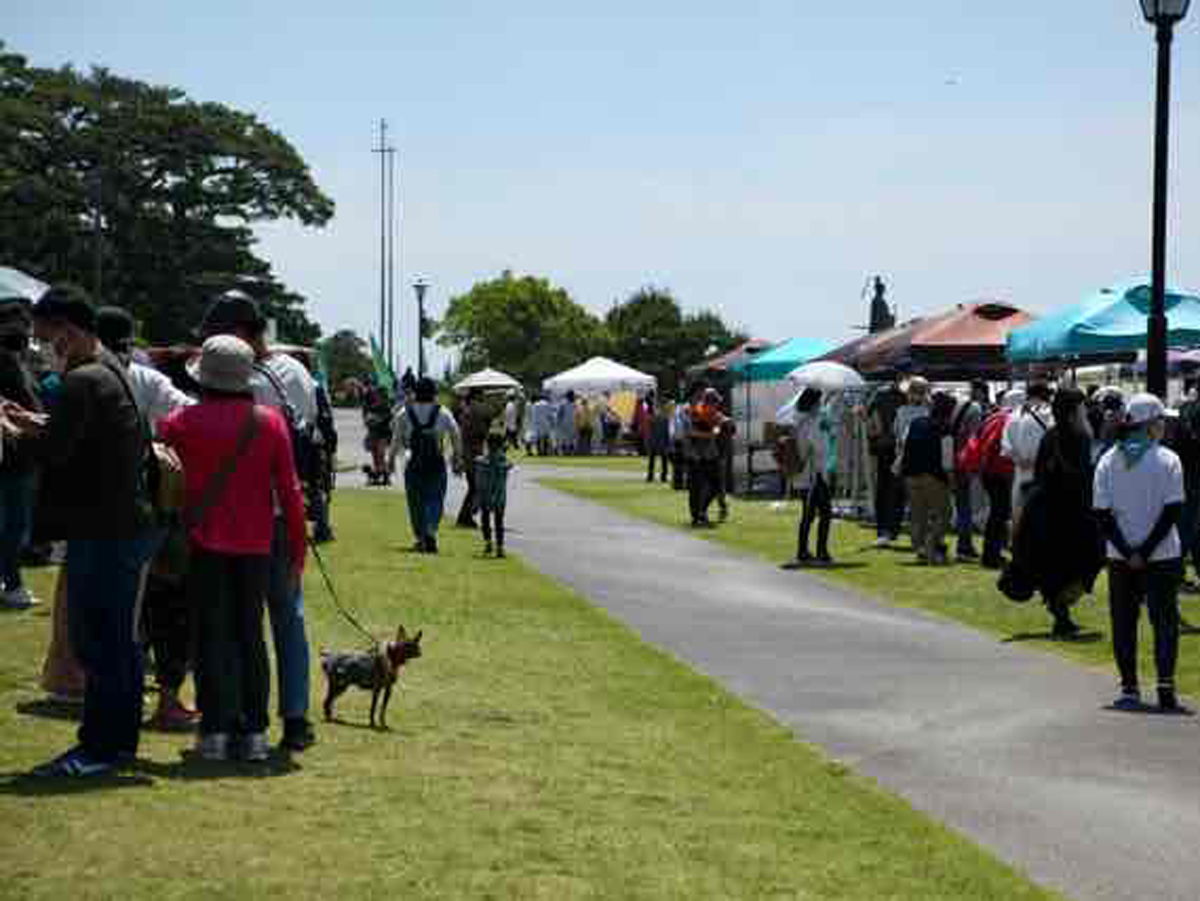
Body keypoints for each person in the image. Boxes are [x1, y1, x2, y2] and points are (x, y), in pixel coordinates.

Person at [5, 285, 159, 777]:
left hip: (104, 528)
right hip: (125, 523)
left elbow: (56, 453)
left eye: (48, 336)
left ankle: (99, 749)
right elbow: (78, 434)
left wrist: (11, 433)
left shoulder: (82, 379)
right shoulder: (111, 369)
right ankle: (118, 743)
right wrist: (35, 423)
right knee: (119, 642)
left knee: (98, 642)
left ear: (68, 331)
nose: (44, 346)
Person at [159, 335, 307, 761]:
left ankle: (215, 732)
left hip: (204, 543)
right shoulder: (270, 423)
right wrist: (296, 554)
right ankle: (255, 733)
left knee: (211, 637)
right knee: (251, 636)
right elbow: (291, 494)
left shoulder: (181, 422)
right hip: (258, 544)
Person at [199, 292, 319, 753]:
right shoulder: (296, 374)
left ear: (240, 333)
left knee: (237, 626)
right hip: (284, 515)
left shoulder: (235, 376)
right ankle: (295, 717)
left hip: (240, 521)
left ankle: (233, 719)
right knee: (288, 617)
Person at [96, 305, 198, 730]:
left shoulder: (90, 374)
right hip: (154, 505)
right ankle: (165, 698)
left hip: (106, 509)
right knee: (163, 605)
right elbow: (187, 411)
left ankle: (114, 693)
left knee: (119, 609)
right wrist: (161, 441)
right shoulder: (145, 377)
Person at [1094, 393, 1186, 712]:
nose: (1164, 427)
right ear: (1151, 424)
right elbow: (1173, 511)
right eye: (1161, 421)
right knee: (1164, 621)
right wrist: (1145, 551)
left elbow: (1102, 514)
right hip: (1161, 554)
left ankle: (1130, 686)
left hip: (1120, 556)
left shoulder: (1108, 460)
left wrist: (1129, 551)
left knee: (1124, 621)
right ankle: (1165, 686)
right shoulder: (1169, 459)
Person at [1014, 388, 1103, 638]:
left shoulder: (1050, 436)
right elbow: (1084, 478)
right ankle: (1061, 608)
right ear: (1075, 410)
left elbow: (1041, 473)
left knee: (1054, 565)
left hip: (1044, 510)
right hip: (1072, 511)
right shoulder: (1080, 437)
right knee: (1087, 560)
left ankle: (1060, 610)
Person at [0, 297, 44, 609]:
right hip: (9, 457)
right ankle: (12, 584)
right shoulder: (8, 363)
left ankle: (10, 581)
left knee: (15, 525)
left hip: (21, 458)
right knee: (13, 525)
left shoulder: (20, 362)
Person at [394, 376, 463, 554]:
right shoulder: (443, 412)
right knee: (435, 498)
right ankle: (431, 530)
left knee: (415, 502)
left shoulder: (404, 412)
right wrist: (457, 458)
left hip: (414, 462)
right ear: (434, 393)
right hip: (436, 462)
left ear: (415, 393)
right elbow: (456, 434)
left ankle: (420, 536)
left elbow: (396, 439)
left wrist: (390, 460)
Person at [899, 391, 956, 565]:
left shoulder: (915, 423)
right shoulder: (945, 428)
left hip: (910, 474)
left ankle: (920, 549)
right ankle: (933, 544)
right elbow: (947, 461)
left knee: (918, 514)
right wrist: (951, 481)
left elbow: (903, 443)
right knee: (944, 514)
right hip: (933, 476)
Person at [783, 388, 834, 567]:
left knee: (810, 513)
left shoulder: (799, 419)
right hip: (814, 473)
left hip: (807, 474)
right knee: (822, 513)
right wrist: (827, 431)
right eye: (819, 401)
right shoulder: (812, 421)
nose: (821, 404)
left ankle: (806, 551)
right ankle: (819, 552)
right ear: (813, 403)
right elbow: (819, 447)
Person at [1002, 381, 1054, 528]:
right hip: (1042, 473)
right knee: (1041, 517)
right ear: (1043, 395)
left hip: (1021, 471)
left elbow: (1006, 446)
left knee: (1020, 514)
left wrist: (1019, 460)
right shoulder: (1048, 413)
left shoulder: (1013, 416)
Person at [951, 380, 990, 560]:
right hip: (966, 462)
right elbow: (975, 439)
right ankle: (964, 546)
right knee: (967, 505)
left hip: (955, 459)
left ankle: (963, 544)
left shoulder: (960, 405)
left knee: (962, 504)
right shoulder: (976, 409)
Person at [866, 381, 906, 545]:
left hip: (885, 446)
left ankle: (884, 528)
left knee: (885, 489)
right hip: (895, 446)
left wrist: (873, 439)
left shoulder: (879, 395)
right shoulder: (904, 396)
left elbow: (868, 417)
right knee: (895, 489)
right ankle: (891, 528)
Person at [685, 387, 727, 528]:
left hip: (710, 455)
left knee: (716, 485)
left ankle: (702, 511)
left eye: (717, 403)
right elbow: (691, 433)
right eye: (715, 402)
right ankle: (697, 517)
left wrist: (721, 426)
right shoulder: (696, 412)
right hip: (696, 456)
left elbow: (719, 423)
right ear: (708, 402)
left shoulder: (715, 414)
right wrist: (710, 434)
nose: (717, 405)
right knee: (696, 488)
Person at [476, 431, 514, 558]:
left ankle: (488, 543)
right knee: (499, 522)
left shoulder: (483, 460)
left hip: (486, 495)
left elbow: (479, 477)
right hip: (499, 496)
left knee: (486, 520)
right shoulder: (503, 459)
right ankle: (499, 547)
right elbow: (509, 465)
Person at [456, 389, 490, 528]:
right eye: (479, 399)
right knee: (475, 487)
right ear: (473, 399)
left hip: (472, 453)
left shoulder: (469, 412)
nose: (481, 403)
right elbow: (478, 434)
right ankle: (466, 516)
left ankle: (466, 515)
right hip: (472, 455)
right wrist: (485, 426)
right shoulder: (471, 413)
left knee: (474, 487)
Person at [361, 379, 394, 486]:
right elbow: (366, 418)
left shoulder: (387, 407)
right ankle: (378, 476)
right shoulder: (373, 406)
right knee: (375, 455)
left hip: (384, 434)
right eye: (379, 394)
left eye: (382, 395)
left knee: (381, 454)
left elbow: (389, 419)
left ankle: (385, 476)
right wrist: (369, 420)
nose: (380, 396)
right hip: (374, 433)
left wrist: (377, 420)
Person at [645, 394, 671, 484]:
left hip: (659, 440)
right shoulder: (662, 416)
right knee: (656, 460)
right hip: (657, 440)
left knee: (661, 460)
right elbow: (650, 430)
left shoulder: (664, 416)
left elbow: (667, 431)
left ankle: (657, 476)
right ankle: (653, 476)